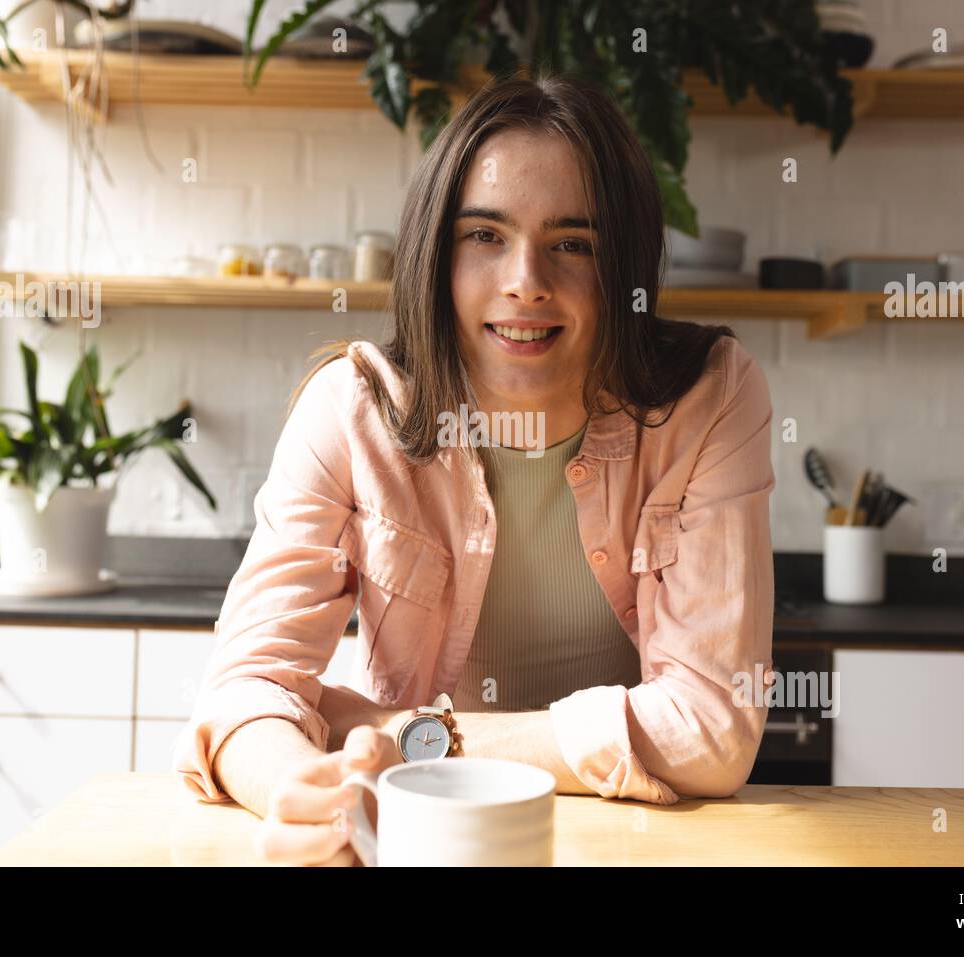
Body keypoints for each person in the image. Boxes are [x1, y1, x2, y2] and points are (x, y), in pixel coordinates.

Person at [173, 72, 777, 866]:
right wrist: (307, 792)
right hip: (424, 836)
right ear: (435, 253)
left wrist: (411, 737)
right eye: (484, 236)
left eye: (573, 243)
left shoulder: (708, 395)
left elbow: (711, 730)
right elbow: (245, 686)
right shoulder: (352, 409)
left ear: (623, 265)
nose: (526, 279)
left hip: (627, 840)